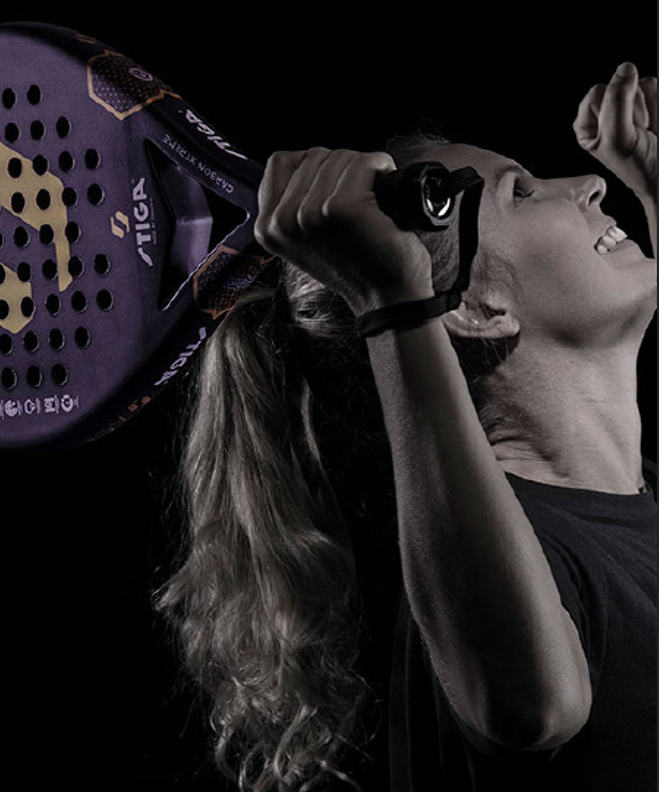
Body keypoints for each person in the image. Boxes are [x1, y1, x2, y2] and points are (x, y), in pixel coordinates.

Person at [157, 62, 657, 791]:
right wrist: (392, 303)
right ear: (477, 309)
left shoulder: (639, 503)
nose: (589, 183)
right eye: (520, 192)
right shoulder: (499, 568)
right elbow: (537, 709)